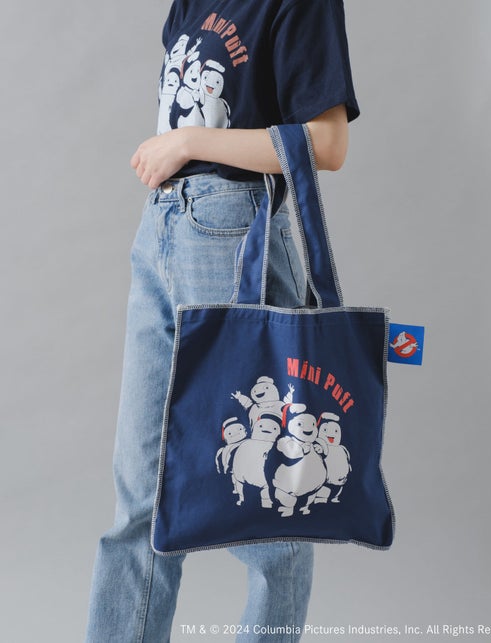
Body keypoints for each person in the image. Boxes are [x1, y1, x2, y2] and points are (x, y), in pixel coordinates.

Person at [85, 1, 360, 641]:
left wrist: (188, 142)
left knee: (270, 505)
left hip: (234, 236)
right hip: (161, 227)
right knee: (142, 500)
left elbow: (327, 144)